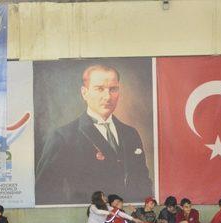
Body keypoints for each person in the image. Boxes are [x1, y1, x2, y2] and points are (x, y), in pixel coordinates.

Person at [35, 64, 153, 205]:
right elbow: (46, 191)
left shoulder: (130, 133)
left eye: (113, 89)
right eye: (99, 89)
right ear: (84, 93)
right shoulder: (63, 137)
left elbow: (142, 182)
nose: (107, 96)